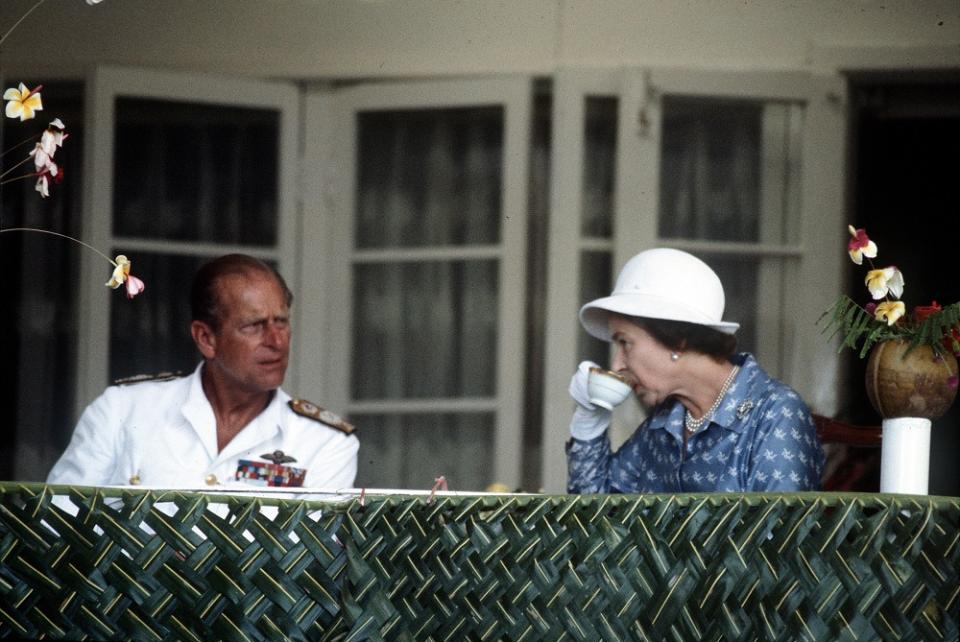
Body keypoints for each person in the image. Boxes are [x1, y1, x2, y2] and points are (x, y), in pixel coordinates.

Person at [47, 254, 359, 489]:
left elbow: (312, 567)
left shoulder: (325, 443)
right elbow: (56, 529)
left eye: (281, 322)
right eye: (254, 326)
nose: (276, 342)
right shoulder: (121, 411)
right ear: (206, 338)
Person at [566, 248, 824, 493]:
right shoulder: (666, 421)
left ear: (677, 339)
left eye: (625, 343)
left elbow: (782, 536)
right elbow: (596, 516)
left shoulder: (775, 413)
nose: (617, 365)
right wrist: (589, 420)